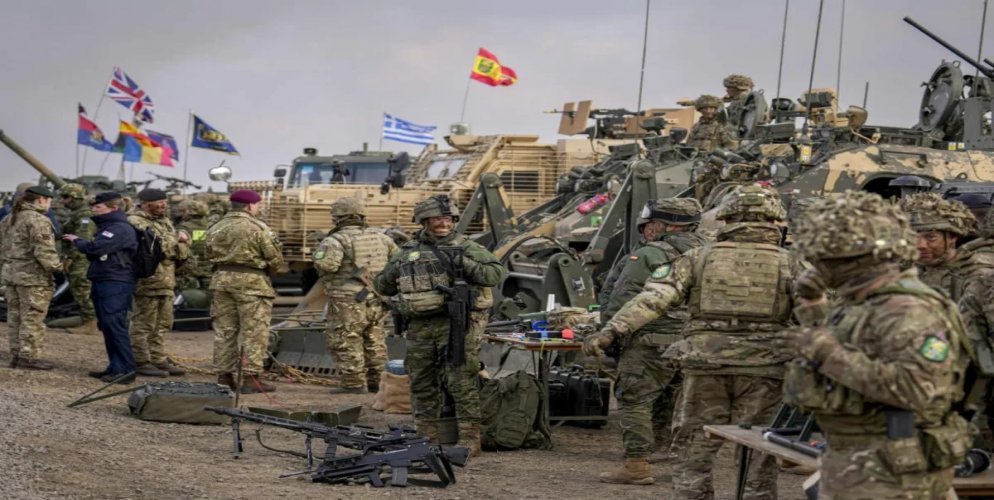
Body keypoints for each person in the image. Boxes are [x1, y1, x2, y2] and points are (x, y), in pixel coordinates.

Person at [585, 184, 802, 499]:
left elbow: (653, 298)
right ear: (775, 220)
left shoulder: (698, 258)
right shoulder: (792, 264)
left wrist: (611, 331)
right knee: (759, 450)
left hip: (706, 367)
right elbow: (818, 315)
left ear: (727, 218)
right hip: (765, 370)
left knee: (693, 446)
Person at [784, 191, 969, 498]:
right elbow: (857, 348)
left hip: (892, 473)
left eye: (826, 259)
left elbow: (915, 389)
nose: (818, 266)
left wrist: (826, 353)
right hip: (858, 463)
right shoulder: (865, 302)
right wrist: (814, 307)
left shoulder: (907, 310)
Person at [374, 195, 507, 457]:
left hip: (456, 324)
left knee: (461, 380)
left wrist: (462, 262)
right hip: (419, 326)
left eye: (447, 219)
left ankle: (469, 439)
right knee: (421, 380)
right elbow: (383, 285)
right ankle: (426, 436)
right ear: (424, 221)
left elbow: (495, 274)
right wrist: (397, 270)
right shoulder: (407, 251)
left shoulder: (466, 247)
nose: (443, 223)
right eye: (437, 219)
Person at [597, 198, 708, 485]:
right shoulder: (710, 253)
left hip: (650, 339)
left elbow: (622, 298)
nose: (646, 229)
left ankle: (636, 465)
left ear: (667, 225)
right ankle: (669, 454)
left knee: (634, 398)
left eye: (651, 223)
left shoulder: (649, 254)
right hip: (694, 341)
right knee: (676, 400)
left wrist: (610, 335)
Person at [313, 197, 399, 394]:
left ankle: (353, 383)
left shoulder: (335, 240)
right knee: (375, 340)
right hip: (376, 297)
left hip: (347, 299)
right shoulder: (383, 238)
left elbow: (328, 265)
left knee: (345, 339)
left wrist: (317, 256)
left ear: (338, 217)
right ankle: (378, 382)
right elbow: (397, 263)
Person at [206, 189, 284, 393]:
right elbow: (275, 259)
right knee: (254, 332)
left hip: (221, 282)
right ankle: (251, 378)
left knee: (225, 331)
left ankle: (224, 377)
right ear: (250, 206)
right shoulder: (258, 228)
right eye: (258, 205)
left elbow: (207, 254)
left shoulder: (215, 227)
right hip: (252, 284)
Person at [63, 192, 139, 384]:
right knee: (107, 325)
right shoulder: (108, 226)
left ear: (113, 208)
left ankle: (126, 369)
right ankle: (115, 367)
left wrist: (77, 241)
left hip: (115, 281)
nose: (93, 209)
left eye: (98, 206)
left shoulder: (119, 228)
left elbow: (96, 248)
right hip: (106, 278)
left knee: (114, 324)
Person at [128, 188, 189, 378]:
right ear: (145, 204)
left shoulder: (163, 221)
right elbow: (155, 247)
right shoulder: (135, 221)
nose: (163, 205)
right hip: (148, 280)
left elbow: (178, 249)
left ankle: (157, 358)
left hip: (166, 280)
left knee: (162, 323)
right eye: (158, 202)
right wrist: (177, 238)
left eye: (165, 202)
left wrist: (179, 242)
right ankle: (140, 360)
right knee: (144, 323)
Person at [1, 186, 61, 370]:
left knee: (15, 317)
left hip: (11, 274)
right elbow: (44, 250)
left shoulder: (10, 218)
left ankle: (16, 355)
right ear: (41, 199)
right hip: (33, 277)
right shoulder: (38, 219)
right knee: (32, 317)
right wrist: (58, 268)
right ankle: (28, 357)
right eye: (49, 201)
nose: (49, 205)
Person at [900, 192, 992, 301]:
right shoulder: (905, 270)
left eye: (931, 237)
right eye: (912, 237)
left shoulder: (979, 277)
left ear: (952, 237)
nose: (920, 245)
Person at [58, 183, 98, 335]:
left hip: (81, 260)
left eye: (66, 197)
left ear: (76, 197)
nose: (62, 201)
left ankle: (91, 323)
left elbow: (82, 239)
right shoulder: (75, 214)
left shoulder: (84, 216)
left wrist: (70, 257)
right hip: (77, 259)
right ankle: (88, 320)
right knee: (78, 289)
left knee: (83, 290)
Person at [174, 199, 213, 291]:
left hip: (189, 269)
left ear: (189, 212)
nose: (181, 214)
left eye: (183, 211)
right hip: (209, 268)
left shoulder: (183, 227)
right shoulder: (211, 226)